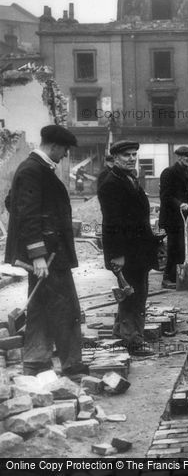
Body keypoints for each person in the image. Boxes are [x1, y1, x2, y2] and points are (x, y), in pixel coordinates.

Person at [4, 125, 86, 377]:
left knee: (40, 305)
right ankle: (71, 364)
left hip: (50, 253)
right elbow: (27, 213)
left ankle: (36, 360)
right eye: (64, 150)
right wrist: (37, 254)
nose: (65, 155)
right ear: (54, 147)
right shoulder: (32, 170)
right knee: (65, 307)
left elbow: (11, 201)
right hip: (48, 256)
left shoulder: (36, 168)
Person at [98, 140, 159, 353]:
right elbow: (111, 223)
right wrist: (117, 255)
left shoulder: (127, 178)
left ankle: (121, 333)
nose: (132, 158)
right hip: (126, 252)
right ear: (114, 158)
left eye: (134, 155)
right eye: (126, 155)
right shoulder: (111, 183)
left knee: (134, 293)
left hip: (138, 249)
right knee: (133, 295)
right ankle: (133, 342)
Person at [158, 146, 188, 289]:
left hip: (185, 217)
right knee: (174, 248)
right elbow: (165, 196)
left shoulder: (187, 172)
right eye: (187, 157)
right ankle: (167, 278)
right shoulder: (169, 172)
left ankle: (177, 277)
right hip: (172, 218)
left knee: (182, 249)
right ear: (179, 157)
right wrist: (180, 204)